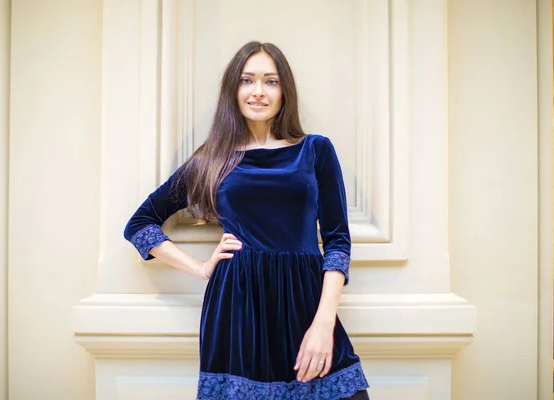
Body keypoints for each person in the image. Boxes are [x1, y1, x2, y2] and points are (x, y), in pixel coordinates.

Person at [124, 41, 370, 400]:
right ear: (233, 90)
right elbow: (140, 224)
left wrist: (324, 323)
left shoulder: (315, 150)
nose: (258, 91)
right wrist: (200, 267)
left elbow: (337, 242)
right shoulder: (212, 159)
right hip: (237, 307)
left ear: (285, 91)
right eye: (247, 80)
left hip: (305, 299)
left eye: (270, 81)